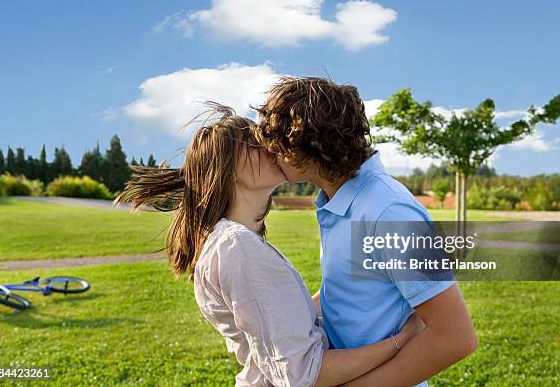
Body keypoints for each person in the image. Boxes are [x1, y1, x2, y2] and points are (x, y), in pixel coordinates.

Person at [115, 103, 425, 387]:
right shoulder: (236, 248)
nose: (272, 148)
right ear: (226, 169)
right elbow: (303, 374)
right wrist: (403, 339)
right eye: (253, 144)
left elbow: (280, 314)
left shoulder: (232, 242)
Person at [255, 77, 478, 387]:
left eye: (277, 139)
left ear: (309, 143)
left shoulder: (390, 213)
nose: (268, 150)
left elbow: (455, 337)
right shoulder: (337, 201)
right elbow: (349, 292)